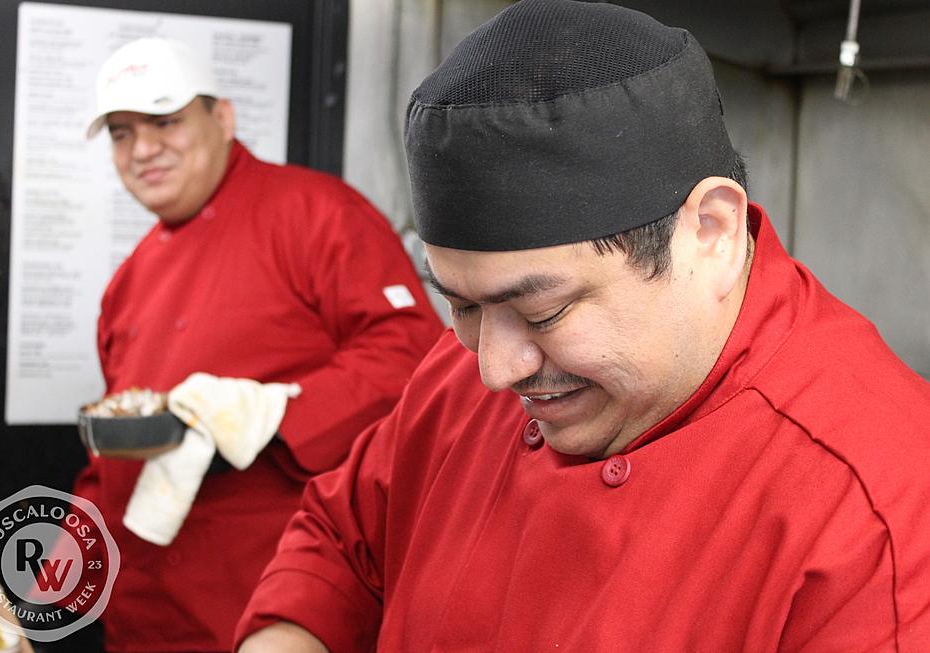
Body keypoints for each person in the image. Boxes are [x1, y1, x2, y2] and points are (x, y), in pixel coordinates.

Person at [234, 1, 930, 651]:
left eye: (546, 311)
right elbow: (338, 540)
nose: (494, 368)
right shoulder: (459, 377)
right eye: (463, 305)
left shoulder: (877, 515)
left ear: (710, 231)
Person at [77, 37, 444, 652]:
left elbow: (412, 357)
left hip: (260, 610)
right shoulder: (127, 281)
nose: (143, 150)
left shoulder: (315, 211)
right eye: (121, 132)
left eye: (165, 121)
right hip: (139, 616)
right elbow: (107, 468)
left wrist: (263, 418)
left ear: (222, 117)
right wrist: (36, 577)